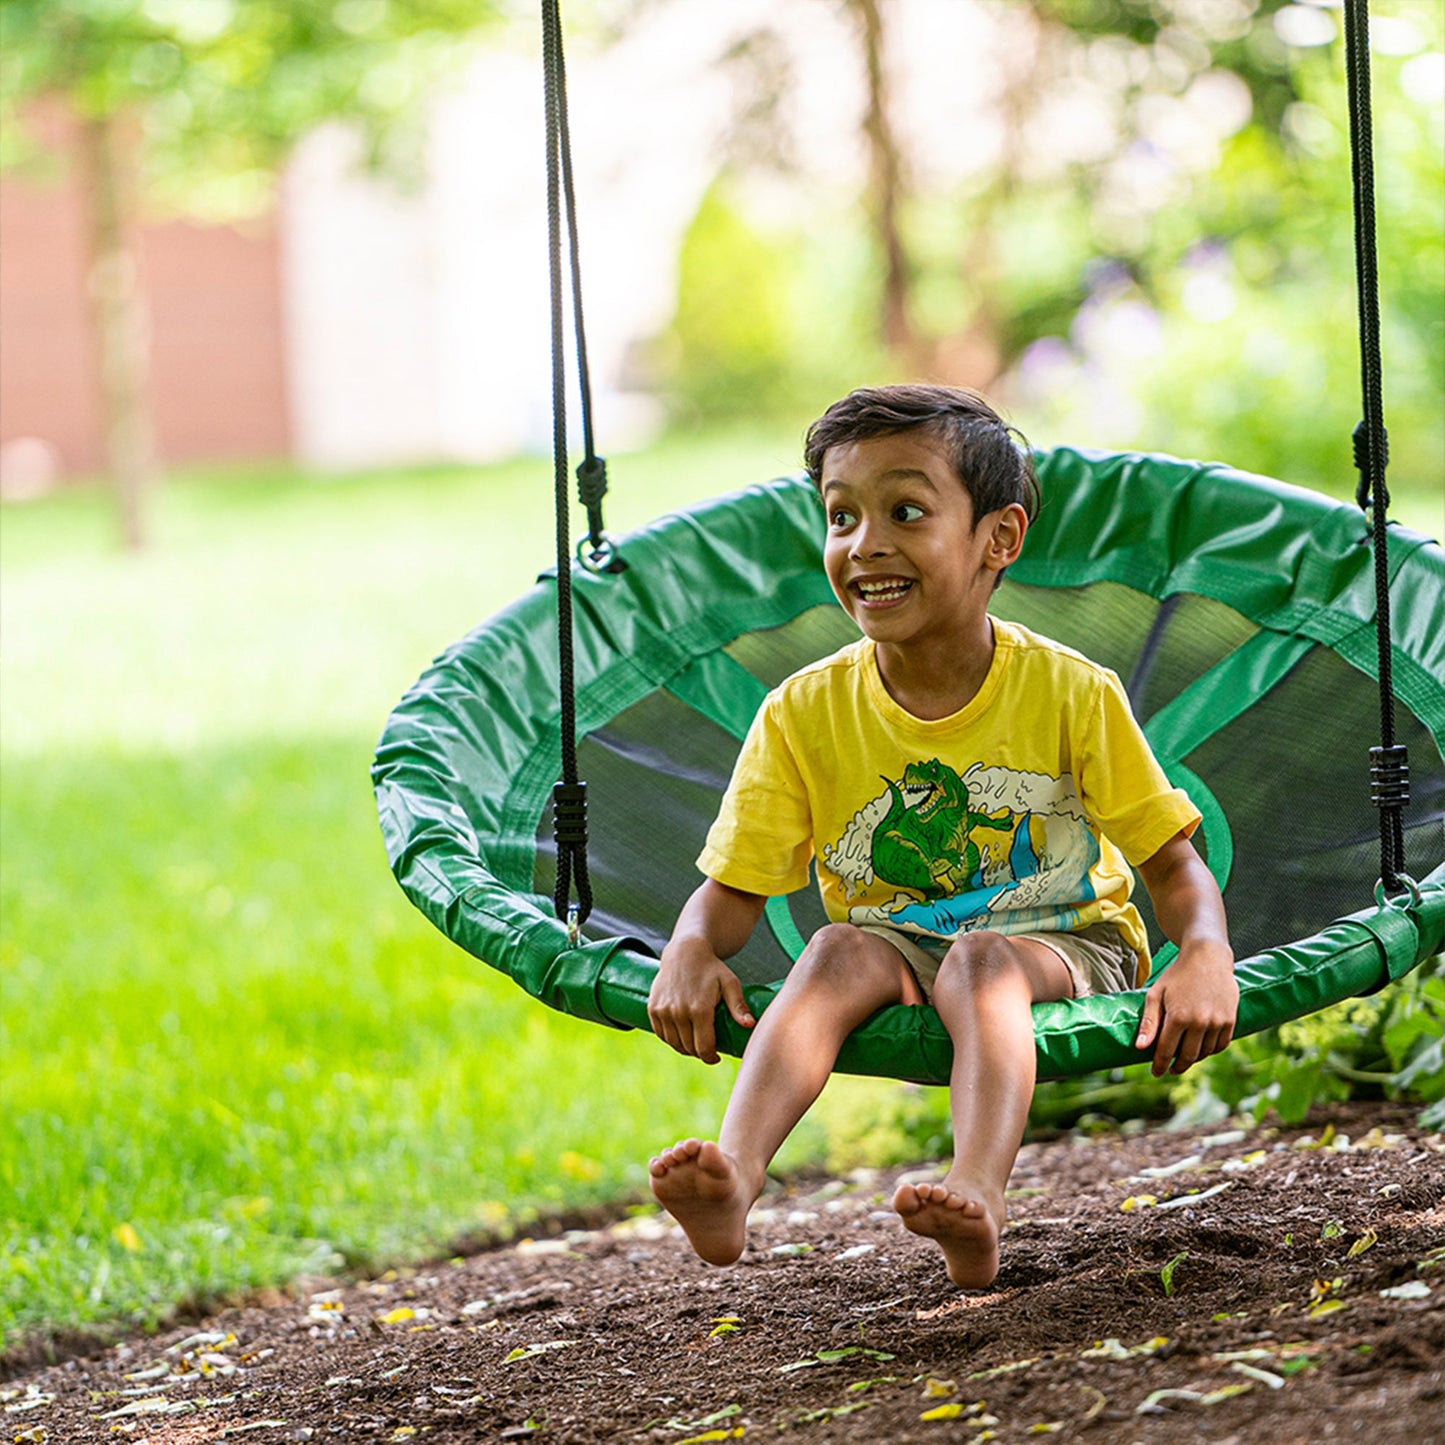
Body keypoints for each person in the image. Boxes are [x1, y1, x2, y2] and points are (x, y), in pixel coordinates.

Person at [646, 384, 1239, 1289]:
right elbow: (733, 887)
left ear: (997, 538)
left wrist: (1202, 949)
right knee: (838, 945)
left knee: (981, 963)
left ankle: (978, 1195)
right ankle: (735, 1180)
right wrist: (690, 946)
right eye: (840, 516)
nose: (864, 543)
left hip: (1065, 937)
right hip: (900, 940)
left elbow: (1169, 860)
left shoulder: (1069, 690)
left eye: (905, 510)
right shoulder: (803, 710)